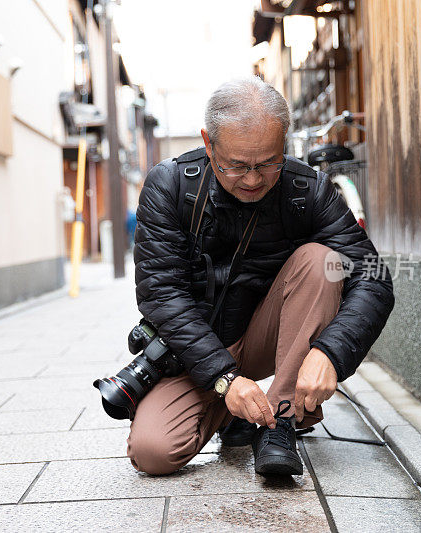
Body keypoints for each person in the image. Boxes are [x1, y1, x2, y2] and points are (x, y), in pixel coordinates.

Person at [127, 77, 394, 476]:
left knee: (321, 261)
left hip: (263, 336)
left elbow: (373, 277)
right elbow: (162, 295)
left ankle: (279, 422)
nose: (252, 179)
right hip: (196, 348)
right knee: (153, 452)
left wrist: (330, 353)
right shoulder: (168, 186)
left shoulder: (309, 191)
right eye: (236, 165)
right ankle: (233, 412)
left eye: (268, 162)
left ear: (283, 144)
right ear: (208, 142)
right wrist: (224, 380)